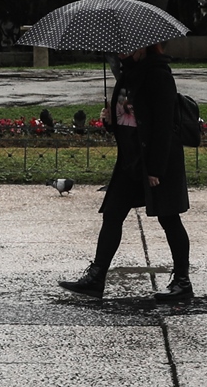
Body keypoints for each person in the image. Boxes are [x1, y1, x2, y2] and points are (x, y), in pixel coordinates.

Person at [59, 43, 191, 303]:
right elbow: (128, 120)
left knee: (169, 218)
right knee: (112, 215)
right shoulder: (126, 74)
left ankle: (182, 281)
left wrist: (155, 168)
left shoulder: (158, 75)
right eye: (117, 47)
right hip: (130, 160)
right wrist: (110, 121)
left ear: (143, 47)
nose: (120, 51)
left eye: (126, 47)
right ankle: (96, 278)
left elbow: (164, 126)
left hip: (156, 161)